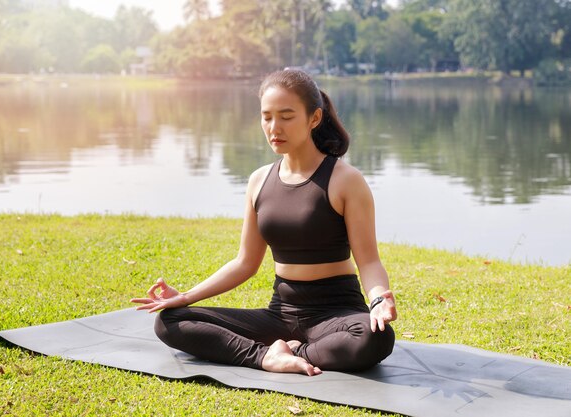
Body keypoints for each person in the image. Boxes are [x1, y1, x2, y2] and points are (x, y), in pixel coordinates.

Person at [131, 69, 397, 376]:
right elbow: (245, 262)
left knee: (375, 337)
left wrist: (378, 299)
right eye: (267, 117)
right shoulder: (259, 181)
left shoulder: (345, 180)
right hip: (280, 314)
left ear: (314, 119)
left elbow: (369, 261)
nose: (274, 127)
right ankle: (266, 357)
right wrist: (186, 297)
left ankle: (296, 351)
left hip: (337, 313)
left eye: (286, 116)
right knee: (169, 321)